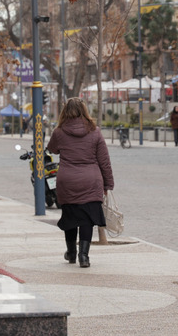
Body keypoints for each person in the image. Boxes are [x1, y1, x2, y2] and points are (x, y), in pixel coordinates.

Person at [47, 98, 114, 268]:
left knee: (71, 217)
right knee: (87, 219)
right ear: (84, 110)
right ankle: (84, 256)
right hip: (91, 180)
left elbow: (52, 149)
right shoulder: (95, 131)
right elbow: (104, 161)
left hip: (67, 180)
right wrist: (108, 185)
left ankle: (71, 253)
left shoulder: (59, 132)